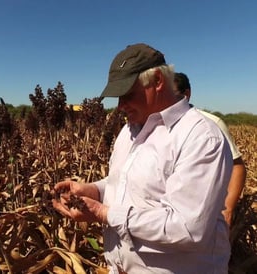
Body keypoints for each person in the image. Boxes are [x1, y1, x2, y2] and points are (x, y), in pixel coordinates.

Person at [52, 43, 233, 273]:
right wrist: (93, 190)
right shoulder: (129, 131)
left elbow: (187, 229)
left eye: (127, 94)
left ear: (157, 81)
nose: (120, 106)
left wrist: (103, 213)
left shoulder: (200, 136)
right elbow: (123, 183)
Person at [173, 72, 246, 227]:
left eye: (173, 96)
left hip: (207, 221)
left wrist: (228, 208)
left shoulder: (212, 123)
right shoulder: (157, 127)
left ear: (187, 94)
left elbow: (237, 167)